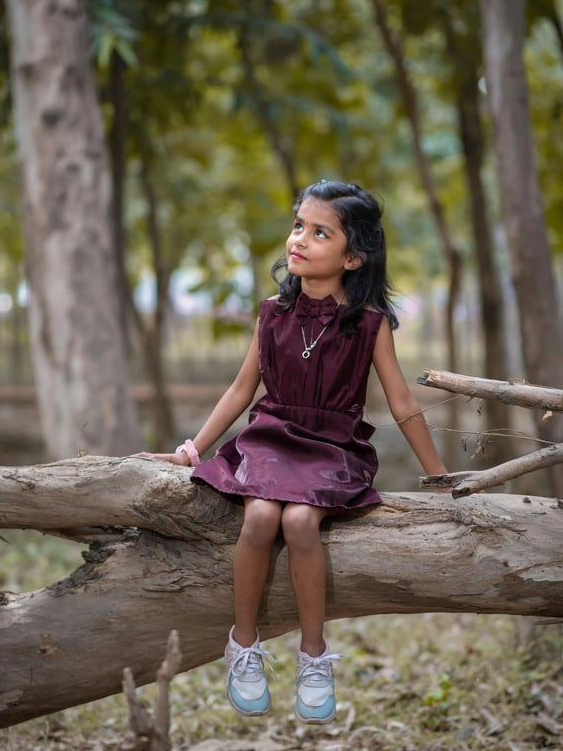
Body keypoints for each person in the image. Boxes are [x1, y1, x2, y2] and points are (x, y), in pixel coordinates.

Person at [138, 180, 447, 725]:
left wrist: (438, 475)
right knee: (260, 514)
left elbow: (402, 403)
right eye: (299, 225)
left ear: (353, 257)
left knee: (301, 522)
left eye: (320, 232)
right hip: (273, 437)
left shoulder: (369, 325)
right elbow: (240, 390)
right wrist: (193, 449)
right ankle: (244, 645)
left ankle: (313, 656)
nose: (299, 239)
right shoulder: (271, 314)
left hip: (333, 445)